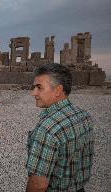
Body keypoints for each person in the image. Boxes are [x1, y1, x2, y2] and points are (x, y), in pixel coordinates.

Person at [26, 63, 94, 192]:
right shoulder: (84, 116)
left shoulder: (47, 130)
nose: (33, 93)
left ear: (57, 90)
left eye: (39, 88)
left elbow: (38, 185)